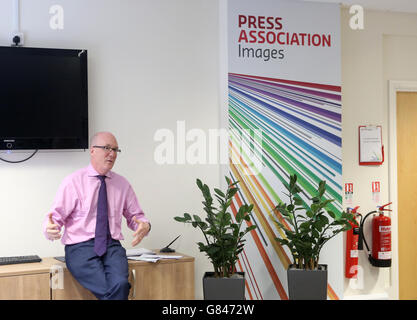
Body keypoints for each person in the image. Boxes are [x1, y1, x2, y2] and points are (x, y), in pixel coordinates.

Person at [42, 131, 151, 300]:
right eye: (107, 148)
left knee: (121, 285)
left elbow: (136, 217)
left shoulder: (122, 184)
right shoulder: (73, 181)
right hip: (80, 248)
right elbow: (54, 218)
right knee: (112, 291)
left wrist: (144, 225)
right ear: (92, 150)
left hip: (112, 246)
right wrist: (49, 230)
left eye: (115, 150)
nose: (112, 154)